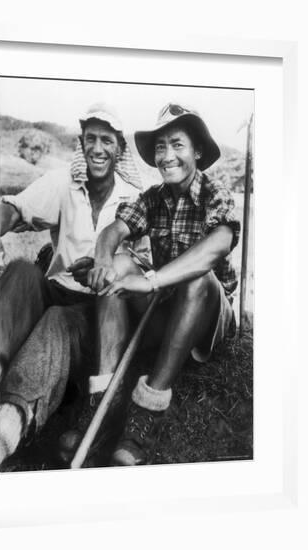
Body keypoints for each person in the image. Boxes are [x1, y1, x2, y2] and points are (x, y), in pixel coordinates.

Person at [85, 103, 240, 467]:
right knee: (120, 264)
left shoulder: (216, 194)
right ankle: (101, 403)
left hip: (210, 321)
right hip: (170, 309)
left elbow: (215, 248)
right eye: (160, 147)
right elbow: (114, 230)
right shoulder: (152, 198)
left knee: (197, 276)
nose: (167, 156)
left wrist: (151, 281)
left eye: (177, 145)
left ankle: (148, 407)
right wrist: (105, 259)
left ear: (197, 152)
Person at [0, 103, 149, 466]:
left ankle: (6, 426)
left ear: (120, 149)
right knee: (21, 272)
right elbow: (16, 209)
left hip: (97, 312)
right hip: (57, 288)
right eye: (91, 139)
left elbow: (145, 263)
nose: (98, 148)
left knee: (58, 321)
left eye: (107, 141)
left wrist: (109, 267)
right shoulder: (63, 182)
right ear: (82, 143)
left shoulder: (134, 197)